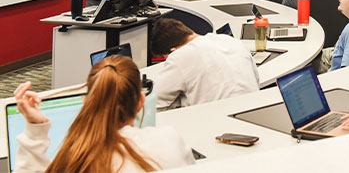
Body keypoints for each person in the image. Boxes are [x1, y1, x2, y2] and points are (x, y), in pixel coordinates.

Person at [12, 55, 194, 172]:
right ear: (141, 101)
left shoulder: (75, 160)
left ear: (87, 101)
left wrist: (35, 130)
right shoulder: (169, 140)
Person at [149, 18, 259, 110]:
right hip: (253, 114)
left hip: (216, 125)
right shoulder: (231, 41)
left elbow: (154, 103)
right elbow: (256, 80)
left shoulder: (180, 56)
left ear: (173, 50)